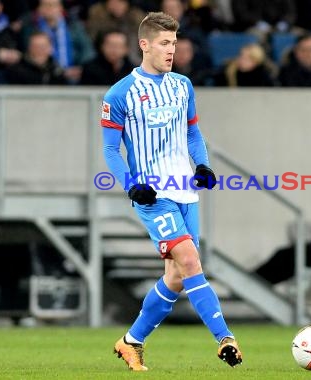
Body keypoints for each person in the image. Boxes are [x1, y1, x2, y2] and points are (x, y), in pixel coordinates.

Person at [101, 12, 242, 371]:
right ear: (144, 45)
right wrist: (133, 187)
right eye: (165, 43)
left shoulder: (182, 85)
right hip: (153, 195)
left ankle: (131, 341)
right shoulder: (121, 93)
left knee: (177, 276)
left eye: (175, 43)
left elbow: (193, 133)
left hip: (184, 191)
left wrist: (202, 164)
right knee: (191, 261)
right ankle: (225, 338)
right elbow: (110, 150)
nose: (171, 50)